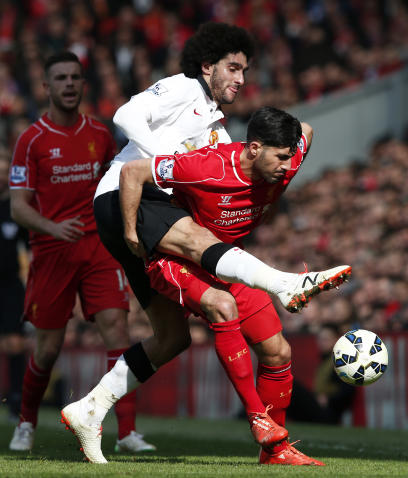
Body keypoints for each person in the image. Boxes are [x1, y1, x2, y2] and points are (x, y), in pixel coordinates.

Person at [62, 107, 350, 465]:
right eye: (280, 157)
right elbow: (133, 171)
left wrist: (289, 159)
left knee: (279, 352)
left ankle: (274, 454)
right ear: (255, 148)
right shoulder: (207, 165)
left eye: (291, 156)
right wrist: (132, 232)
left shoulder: (287, 159)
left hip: (230, 262)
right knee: (222, 307)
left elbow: (306, 128)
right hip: (178, 260)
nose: (286, 166)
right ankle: (258, 418)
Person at [8, 51, 155, 454]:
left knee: (117, 330)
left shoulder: (100, 135)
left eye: (75, 77)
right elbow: (18, 206)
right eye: (61, 78)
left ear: (82, 84)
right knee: (48, 349)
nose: (69, 84)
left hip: (98, 248)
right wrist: (52, 226)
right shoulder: (31, 140)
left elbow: (117, 183)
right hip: (51, 251)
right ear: (47, 87)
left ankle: (126, 432)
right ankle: (26, 423)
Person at [0, 154, 27, 422]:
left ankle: (16, 399)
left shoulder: (16, 209)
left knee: (15, 343)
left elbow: (29, 248)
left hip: (9, 285)